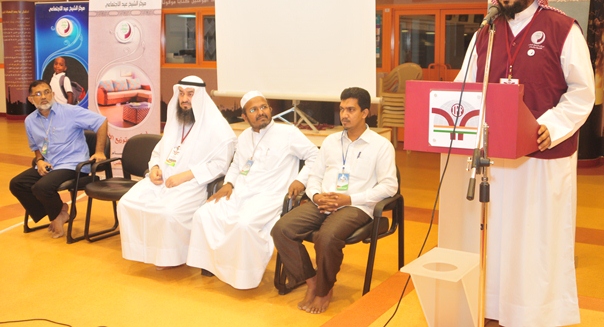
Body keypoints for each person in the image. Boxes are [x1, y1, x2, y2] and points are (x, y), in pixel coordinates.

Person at [455, 0, 595, 326]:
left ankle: (536, 314)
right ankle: (492, 309)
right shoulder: (485, 33)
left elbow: (582, 91)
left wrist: (552, 125)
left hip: (541, 157)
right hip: (494, 160)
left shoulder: (562, 28)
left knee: (535, 241)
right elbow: (463, 87)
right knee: (495, 237)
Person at [271, 87, 398, 314]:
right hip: (322, 201)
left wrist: (349, 199)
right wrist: (316, 195)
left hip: (356, 206)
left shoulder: (381, 146)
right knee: (281, 229)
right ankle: (311, 281)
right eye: (342, 109)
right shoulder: (330, 141)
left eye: (351, 110)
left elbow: (390, 186)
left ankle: (323, 291)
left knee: (327, 237)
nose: (344, 115)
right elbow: (315, 176)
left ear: (365, 112)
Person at [187, 91, 318, 289]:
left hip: (271, 195)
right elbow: (236, 165)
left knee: (243, 224)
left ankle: (243, 276)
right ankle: (214, 265)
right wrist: (229, 183)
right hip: (241, 192)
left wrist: (301, 179)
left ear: (270, 110)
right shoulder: (244, 137)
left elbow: (315, 155)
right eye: (253, 110)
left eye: (264, 107)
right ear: (244, 116)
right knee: (204, 214)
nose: (260, 112)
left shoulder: (288, 133)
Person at [117, 76, 237, 270]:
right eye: (181, 94)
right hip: (162, 181)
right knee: (127, 203)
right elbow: (158, 151)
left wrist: (185, 176)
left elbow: (220, 165)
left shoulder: (218, 128)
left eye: (190, 94)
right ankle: (146, 251)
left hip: (193, 184)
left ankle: (170, 256)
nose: (184, 99)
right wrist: (155, 168)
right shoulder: (176, 121)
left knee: (168, 213)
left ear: (200, 96)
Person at [9, 80, 108, 239]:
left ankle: (56, 216)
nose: (43, 97)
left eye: (47, 92)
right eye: (38, 94)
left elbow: (101, 121)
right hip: (51, 165)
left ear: (53, 94)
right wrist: (39, 160)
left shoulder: (70, 112)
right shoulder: (30, 121)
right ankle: (58, 211)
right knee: (17, 184)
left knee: (41, 187)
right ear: (31, 99)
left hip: (74, 165)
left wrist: (99, 151)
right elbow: (36, 146)